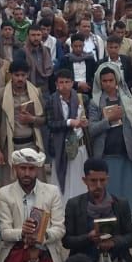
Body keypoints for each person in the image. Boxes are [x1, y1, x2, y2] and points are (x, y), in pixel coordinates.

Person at [63, 158, 132, 262]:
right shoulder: (74, 205)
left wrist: (114, 242)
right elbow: (67, 241)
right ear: (84, 180)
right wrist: (88, 237)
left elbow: (131, 237)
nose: (98, 185)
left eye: (102, 180)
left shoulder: (120, 204)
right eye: (93, 181)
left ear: (108, 179)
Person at [88, 61, 132, 205]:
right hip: (106, 156)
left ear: (116, 80)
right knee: (109, 197)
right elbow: (91, 129)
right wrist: (108, 120)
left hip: (126, 155)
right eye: (104, 81)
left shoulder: (127, 100)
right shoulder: (95, 103)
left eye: (111, 80)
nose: (108, 84)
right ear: (100, 82)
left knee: (128, 195)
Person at [0, 57, 46, 175]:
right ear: (11, 75)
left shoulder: (36, 92)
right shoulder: (1, 94)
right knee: (11, 182)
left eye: (23, 75)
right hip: (10, 146)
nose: (20, 78)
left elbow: (44, 119)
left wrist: (32, 119)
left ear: (27, 75)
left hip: (32, 145)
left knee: (32, 179)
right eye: (17, 75)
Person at [45, 67, 91, 202]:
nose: (64, 85)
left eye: (67, 82)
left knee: (80, 181)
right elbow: (50, 124)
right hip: (61, 148)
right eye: (61, 82)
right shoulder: (51, 101)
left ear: (72, 83)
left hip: (79, 146)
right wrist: (69, 122)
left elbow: (89, 119)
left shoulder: (82, 99)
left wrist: (85, 122)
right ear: (56, 84)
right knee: (61, 186)